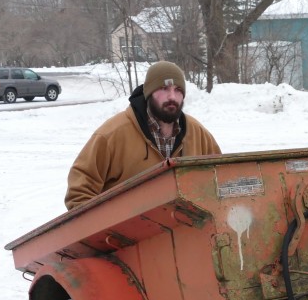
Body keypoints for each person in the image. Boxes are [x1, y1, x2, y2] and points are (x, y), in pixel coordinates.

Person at [65, 61, 221, 209]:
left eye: (178, 90)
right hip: (128, 234)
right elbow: (79, 194)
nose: (172, 97)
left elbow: (220, 182)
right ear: (149, 92)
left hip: (184, 232)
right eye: (164, 89)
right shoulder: (112, 135)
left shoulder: (198, 134)